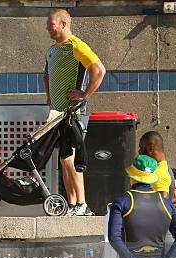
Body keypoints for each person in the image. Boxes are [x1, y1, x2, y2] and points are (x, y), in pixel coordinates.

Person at [44, 8, 106, 216]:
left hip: (74, 113)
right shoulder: (52, 50)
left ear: (63, 24)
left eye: (51, 23)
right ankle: (72, 204)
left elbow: (99, 70)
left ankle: (82, 203)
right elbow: (47, 74)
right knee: (63, 158)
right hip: (58, 112)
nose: (47, 27)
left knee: (71, 157)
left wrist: (85, 94)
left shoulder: (76, 46)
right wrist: (49, 98)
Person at [139, 131, 174, 200]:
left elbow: (163, 205)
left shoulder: (159, 173)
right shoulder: (163, 168)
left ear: (150, 148)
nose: (139, 151)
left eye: (141, 147)